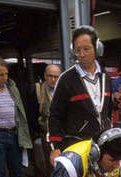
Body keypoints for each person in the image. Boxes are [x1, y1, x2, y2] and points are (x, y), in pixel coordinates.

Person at [48, 26, 113, 164]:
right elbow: (55, 116)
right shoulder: (67, 79)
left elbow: (108, 112)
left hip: (102, 146)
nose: (82, 54)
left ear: (97, 49)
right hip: (76, 147)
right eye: (78, 50)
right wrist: (55, 147)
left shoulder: (105, 77)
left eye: (86, 49)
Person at [36, 63, 61, 177]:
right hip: (47, 135)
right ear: (45, 76)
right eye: (50, 76)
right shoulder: (38, 91)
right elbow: (32, 113)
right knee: (52, 164)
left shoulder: (64, 89)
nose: (53, 79)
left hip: (63, 134)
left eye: (56, 76)